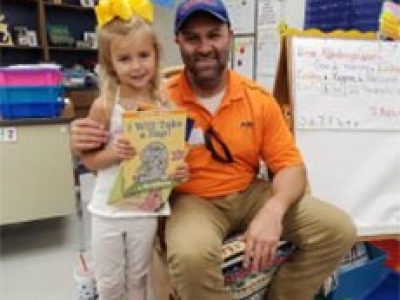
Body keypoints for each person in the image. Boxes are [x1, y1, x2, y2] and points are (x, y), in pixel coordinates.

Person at [71, 1, 356, 299]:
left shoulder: (257, 98)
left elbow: (290, 166)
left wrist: (274, 210)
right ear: (177, 42)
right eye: (193, 37)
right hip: (193, 200)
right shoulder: (157, 98)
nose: (204, 47)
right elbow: (109, 139)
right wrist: (84, 138)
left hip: (250, 192)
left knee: (338, 229)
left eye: (213, 35)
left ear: (229, 36)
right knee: (191, 256)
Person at [78, 1, 188, 299]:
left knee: (139, 280)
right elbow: (89, 161)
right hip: (107, 211)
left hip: (145, 210)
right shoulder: (104, 106)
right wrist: (113, 154)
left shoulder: (164, 107)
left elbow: (169, 162)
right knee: (110, 283)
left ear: (156, 55)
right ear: (110, 62)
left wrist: (178, 171)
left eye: (144, 55)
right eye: (125, 58)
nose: (137, 66)